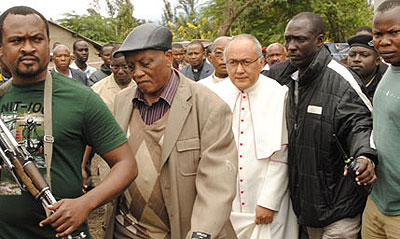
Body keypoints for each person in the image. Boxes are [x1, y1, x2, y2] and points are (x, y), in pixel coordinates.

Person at [0, 6, 138, 239]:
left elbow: (127, 165)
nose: (28, 47)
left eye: (36, 39)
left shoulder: (81, 98)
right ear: (2, 49)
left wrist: (85, 203)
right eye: (16, 41)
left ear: (48, 44)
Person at [104, 23, 238, 239]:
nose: (137, 73)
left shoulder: (208, 106)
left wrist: (200, 234)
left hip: (182, 232)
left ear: (168, 57)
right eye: (131, 66)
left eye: (145, 64)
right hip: (126, 230)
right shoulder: (122, 101)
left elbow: (217, 184)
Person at [266, 12, 377, 239]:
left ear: (319, 40)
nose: (291, 46)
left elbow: (361, 124)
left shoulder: (342, 80)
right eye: (288, 39)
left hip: (339, 207)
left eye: (300, 39)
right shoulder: (281, 76)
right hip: (302, 208)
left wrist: (365, 156)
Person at [210, 34, 298, 239]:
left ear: (260, 62)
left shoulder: (279, 94)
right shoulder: (212, 95)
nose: (239, 70)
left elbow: (282, 154)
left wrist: (269, 201)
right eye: (233, 63)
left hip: (267, 201)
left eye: (246, 62)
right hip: (227, 201)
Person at [362, 1, 400, 238]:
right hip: (376, 204)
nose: (384, 41)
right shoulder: (388, 74)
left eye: (394, 32)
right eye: (378, 34)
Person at [347, 34, 387, 99]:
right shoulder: (340, 82)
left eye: (364, 55)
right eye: (352, 55)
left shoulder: (385, 86)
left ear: (377, 61)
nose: (356, 59)